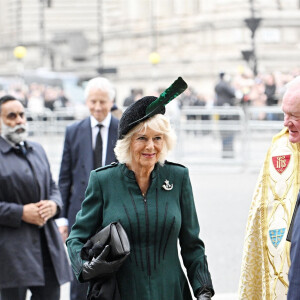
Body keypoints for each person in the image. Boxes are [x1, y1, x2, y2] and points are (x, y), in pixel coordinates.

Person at [66, 77, 214, 300]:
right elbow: (76, 238)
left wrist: (203, 289)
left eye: (158, 138)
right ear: (127, 142)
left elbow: (192, 243)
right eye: (142, 138)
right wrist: (84, 266)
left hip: (171, 291)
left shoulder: (178, 177)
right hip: (122, 292)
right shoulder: (103, 181)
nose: (151, 146)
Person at [0, 95, 72, 300]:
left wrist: (54, 205)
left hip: (46, 245)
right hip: (11, 251)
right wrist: (20, 212)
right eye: (11, 116)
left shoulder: (36, 149)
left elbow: (52, 186)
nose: (19, 120)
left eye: (21, 115)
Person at [57, 76, 119, 300]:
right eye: (93, 101)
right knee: (80, 275)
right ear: (86, 102)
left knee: (113, 273)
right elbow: (65, 177)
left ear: (111, 102)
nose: (98, 107)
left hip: (114, 213)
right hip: (80, 214)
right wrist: (62, 218)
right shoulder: (73, 130)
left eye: (102, 101)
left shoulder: (123, 129)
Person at [239, 76, 300, 299]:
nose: (286, 122)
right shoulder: (279, 147)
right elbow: (259, 215)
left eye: (294, 116)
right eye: (285, 113)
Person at [214, 72, 237, 158]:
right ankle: (228, 153)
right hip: (227, 115)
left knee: (224, 133)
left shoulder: (218, 85)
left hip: (222, 114)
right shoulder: (224, 85)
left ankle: (225, 152)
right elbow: (234, 93)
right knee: (228, 133)